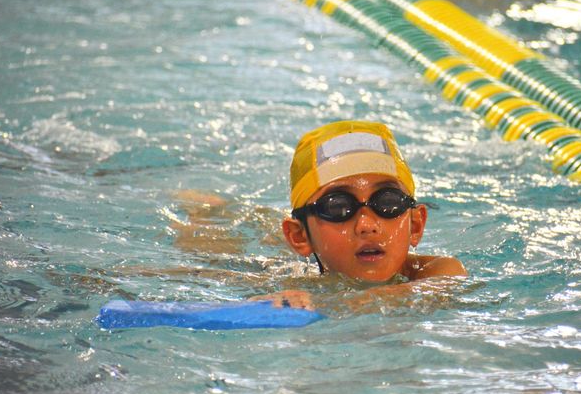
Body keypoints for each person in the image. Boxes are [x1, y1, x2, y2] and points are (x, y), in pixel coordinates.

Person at [171, 120, 466, 311]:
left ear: (416, 224)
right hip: (297, 264)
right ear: (299, 236)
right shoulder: (288, 284)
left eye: (387, 202)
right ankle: (208, 209)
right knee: (211, 244)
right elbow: (181, 278)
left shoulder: (438, 271)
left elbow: (425, 292)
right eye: (338, 207)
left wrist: (324, 304)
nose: (367, 225)